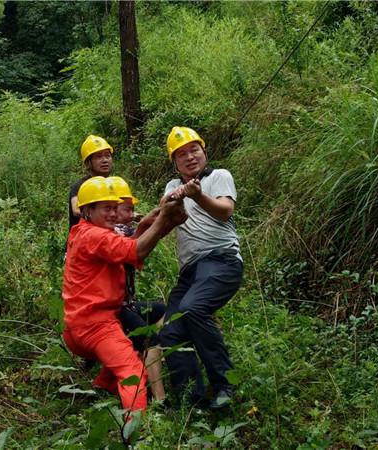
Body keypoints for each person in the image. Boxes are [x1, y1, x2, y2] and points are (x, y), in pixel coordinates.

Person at [62, 177, 186, 412]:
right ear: (87, 210)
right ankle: (136, 434)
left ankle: (101, 387)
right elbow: (134, 251)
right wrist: (161, 221)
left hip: (82, 323)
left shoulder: (84, 232)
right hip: (95, 325)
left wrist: (156, 224)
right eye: (106, 209)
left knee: (130, 338)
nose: (113, 214)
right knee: (132, 372)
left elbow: (125, 250)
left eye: (114, 208)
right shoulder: (94, 236)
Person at [159, 126, 243, 410]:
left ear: (204, 151)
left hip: (221, 260)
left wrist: (197, 196)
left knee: (194, 309)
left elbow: (224, 210)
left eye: (194, 150)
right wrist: (179, 195)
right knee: (170, 332)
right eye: (181, 154)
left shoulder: (219, 176)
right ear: (174, 162)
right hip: (190, 272)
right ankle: (191, 400)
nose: (190, 157)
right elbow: (165, 209)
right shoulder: (173, 186)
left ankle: (224, 386)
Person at [108, 176, 167, 402]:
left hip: (128, 304)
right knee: (149, 338)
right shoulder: (112, 231)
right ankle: (160, 398)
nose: (131, 214)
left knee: (161, 310)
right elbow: (133, 247)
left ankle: (149, 362)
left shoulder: (125, 229)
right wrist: (158, 221)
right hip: (115, 308)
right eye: (126, 210)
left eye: (132, 209)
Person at [67, 135, 114, 227]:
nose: (105, 160)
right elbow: (76, 210)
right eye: (99, 157)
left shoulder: (111, 185)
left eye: (107, 156)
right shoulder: (80, 186)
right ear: (88, 163)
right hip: (83, 237)